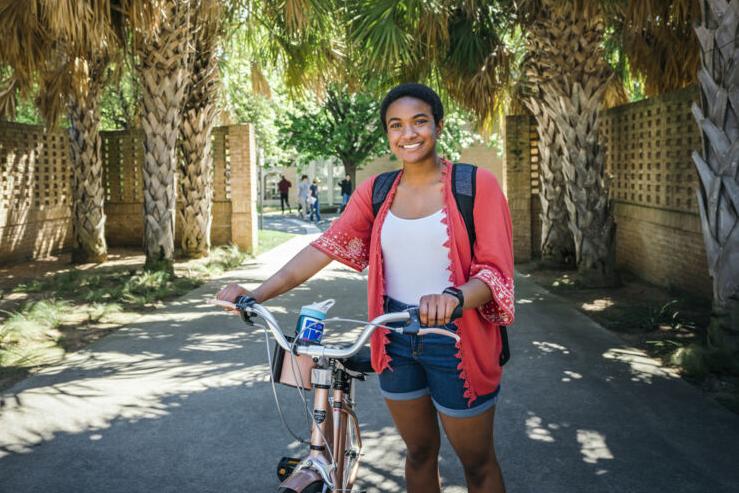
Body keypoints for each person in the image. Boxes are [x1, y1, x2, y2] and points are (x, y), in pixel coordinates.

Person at [217, 83, 514, 493]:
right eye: (396, 125)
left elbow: (495, 273)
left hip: (457, 340)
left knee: (477, 463)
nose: (407, 134)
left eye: (419, 122)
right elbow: (323, 248)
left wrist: (453, 298)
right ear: (388, 133)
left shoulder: (474, 185)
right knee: (419, 454)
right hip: (393, 339)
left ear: (438, 126)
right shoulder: (377, 192)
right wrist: (256, 294)